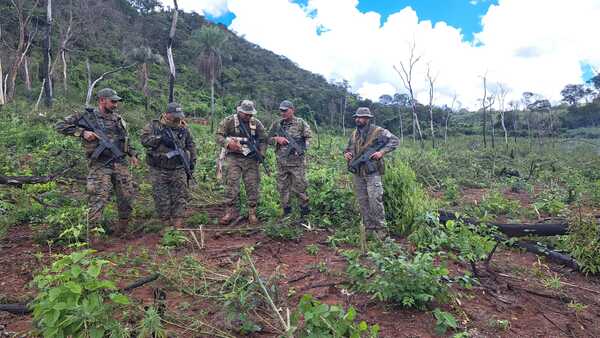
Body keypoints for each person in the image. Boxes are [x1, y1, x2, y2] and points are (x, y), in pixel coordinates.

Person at [55, 88, 139, 238]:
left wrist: (132, 154)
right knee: (98, 199)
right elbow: (60, 126)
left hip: (120, 163)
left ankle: (123, 231)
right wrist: (82, 133)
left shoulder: (118, 119)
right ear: (102, 100)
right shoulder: (87, 116)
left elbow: (125, 140)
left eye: (117, 102)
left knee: (127, 197)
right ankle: (94, 237)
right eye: (113, 101)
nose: (115, 105)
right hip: (100, 164)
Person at [343, 107, 399, 238]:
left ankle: (381, 231)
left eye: (361, 117)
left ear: (368, 119)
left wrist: (381, 152)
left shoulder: (379, 132)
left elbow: (395, 141)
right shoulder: (354, 134)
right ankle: (368, 229)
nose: (358, 119)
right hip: (358, 173)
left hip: (372, 173)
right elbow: (347, 148)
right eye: (356, 117)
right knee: (363, 202)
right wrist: (347, 153)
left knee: (375, 201)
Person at [140, 102, 197, 229]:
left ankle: (177, 227)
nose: (178, 118)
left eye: (179, 115)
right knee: (161, 198)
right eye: (175, 115)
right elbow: (144, 140)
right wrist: (160, 138)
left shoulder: (183, 127)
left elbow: (191, 145)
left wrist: (192, 162)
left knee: (180, 197)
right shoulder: (154, 126)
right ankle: (166, 227)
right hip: (158, 169)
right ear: (166, 114)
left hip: (178, 168)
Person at [216, 100, 267, 225]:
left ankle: (252, 212)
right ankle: (229, 212)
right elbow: (218, 136)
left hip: (251, 158)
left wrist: (262, 153)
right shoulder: (229, 121)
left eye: (250, 114)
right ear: (239, 111)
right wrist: (228, 143)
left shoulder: (256, 123)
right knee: (232, 184)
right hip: (233, 158)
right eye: (246, 114)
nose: (248, 116)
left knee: (252, 185)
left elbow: (264, 139)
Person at [268, 100, 312, 218]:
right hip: (281, 162)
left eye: (285, 110)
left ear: (292, 110)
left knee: (300, 186)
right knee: (282, 187)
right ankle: (286, 211)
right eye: (281, 111)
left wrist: (301, 149)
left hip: (297, 163)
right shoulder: (277, 124)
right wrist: (276, 140)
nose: (283, 113)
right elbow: (267, 138)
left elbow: (308, 138)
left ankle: (304, 212)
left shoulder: (301, 123)